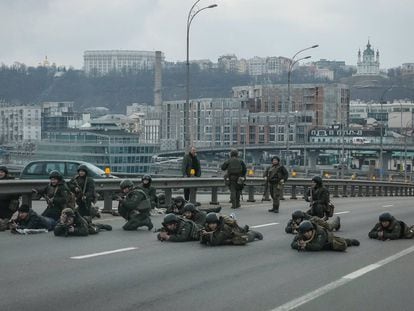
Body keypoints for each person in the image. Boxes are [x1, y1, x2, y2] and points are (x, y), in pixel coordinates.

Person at [291, 220, 360, 252]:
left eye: (308, 232)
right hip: (314, 243)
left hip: (327, 240)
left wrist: (306, 246)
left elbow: (318, 246)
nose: (306, 234)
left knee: (341, 244)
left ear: (311, 230)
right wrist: (299, 245)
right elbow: (293, 244)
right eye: (304, 233)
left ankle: (350, 241)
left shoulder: (320, 232)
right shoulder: (301, 233)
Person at [0, 166, 20, 231]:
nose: (0, 173)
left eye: (2, 172)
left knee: (2, 226)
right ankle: (7, 224)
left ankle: (6, 223)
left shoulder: (11, 181)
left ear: (5, 173)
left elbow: (17, 194)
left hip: (7, 207)